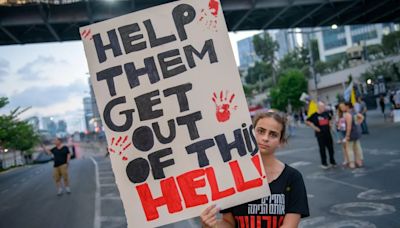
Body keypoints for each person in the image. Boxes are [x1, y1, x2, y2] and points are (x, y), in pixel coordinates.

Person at [200, 111, 309, 228]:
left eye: (273, 134)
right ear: (250, 133)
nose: (265, 138)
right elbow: (228, 223)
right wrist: (211, 225)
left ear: (281, 142)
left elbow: (290, 225)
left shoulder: (293, 177)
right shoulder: (233, 176)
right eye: (261, 131)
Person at [306, 101, 337, 169]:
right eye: (322, 107)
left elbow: (330, 119)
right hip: (320, 135)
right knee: (322, 149)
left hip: (328, 133)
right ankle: (324, 163)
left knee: (331, 148)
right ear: (318, 107)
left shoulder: (326, 113)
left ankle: (332, 161)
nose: (324, 108)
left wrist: (330, 123)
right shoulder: (314, 115)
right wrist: (314, 127)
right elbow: (307, 121)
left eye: (324, 106)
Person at [344, 102, 364, 169]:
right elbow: (361, 117)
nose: (343, 107)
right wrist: (358, 123)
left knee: (349, 148)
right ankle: (359, 161)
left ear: (347, 106)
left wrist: (347, 135)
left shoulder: (348, 114)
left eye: (344, 106)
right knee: (358, 147)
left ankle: (352, 163)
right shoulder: (354, 112)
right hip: (357, 131)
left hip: (351, 133)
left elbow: (349, 126)